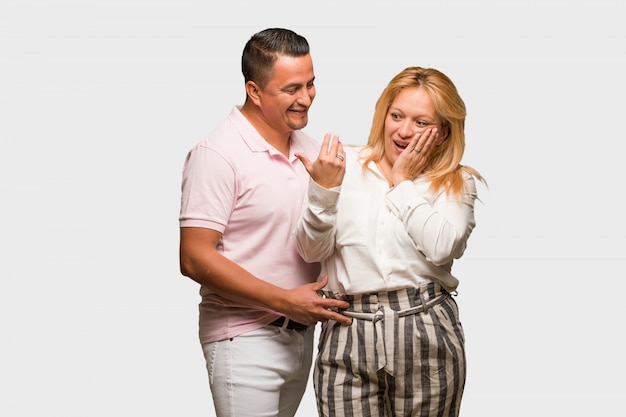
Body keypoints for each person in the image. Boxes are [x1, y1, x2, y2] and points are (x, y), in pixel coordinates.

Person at [294, 66, 487, 417]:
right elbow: (310, 251)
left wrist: (403, 183)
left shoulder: (455, 182)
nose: (403, 130)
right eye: (396, 115)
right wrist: (324, 190)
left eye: (420, 121)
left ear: (443, 132)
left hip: (424, 327)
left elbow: (444, 246)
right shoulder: (344, 165)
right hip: (348, 327)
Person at [178, 28, 351, 417]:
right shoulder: (217, 154)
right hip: (243, 337)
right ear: (254, 91)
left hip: (302, 337)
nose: (305, 98)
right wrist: (285, 300)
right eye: (291, 89)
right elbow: (192, 258)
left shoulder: (309, 149)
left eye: (310, 84)